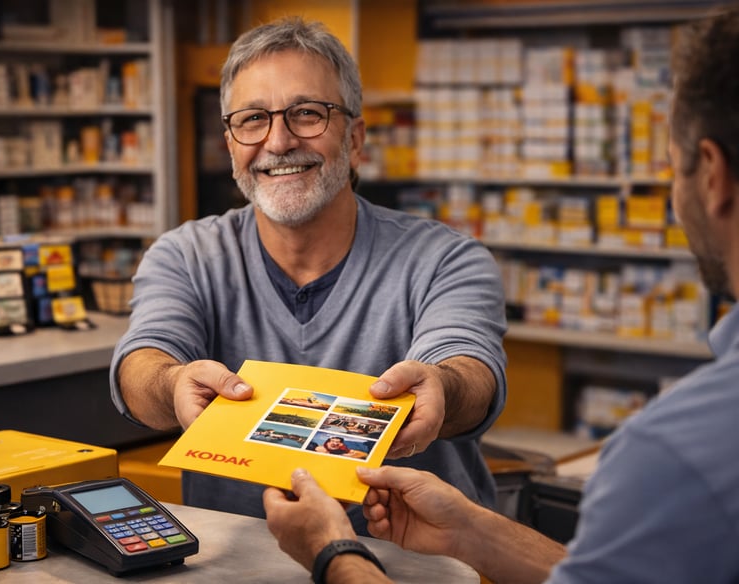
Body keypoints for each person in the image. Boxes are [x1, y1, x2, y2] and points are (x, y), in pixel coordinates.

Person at [263, 9, 739, 583]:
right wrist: (472, 532)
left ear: (710, 175)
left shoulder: (674, 456)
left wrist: (333, 552)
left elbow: (465, 355)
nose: (279, 139)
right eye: (253, 119)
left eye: (671, 167)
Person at [109, 17, 507, 534]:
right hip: (238, 567)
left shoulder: (445, 259)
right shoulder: (186, 255)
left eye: (306, 113)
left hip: (411, 567)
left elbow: (470, 369)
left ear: (356, 137)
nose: (278, 141)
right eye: (252, 119)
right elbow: (142, 360)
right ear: (231, 143)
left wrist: (443, 387)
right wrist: (173, 383)